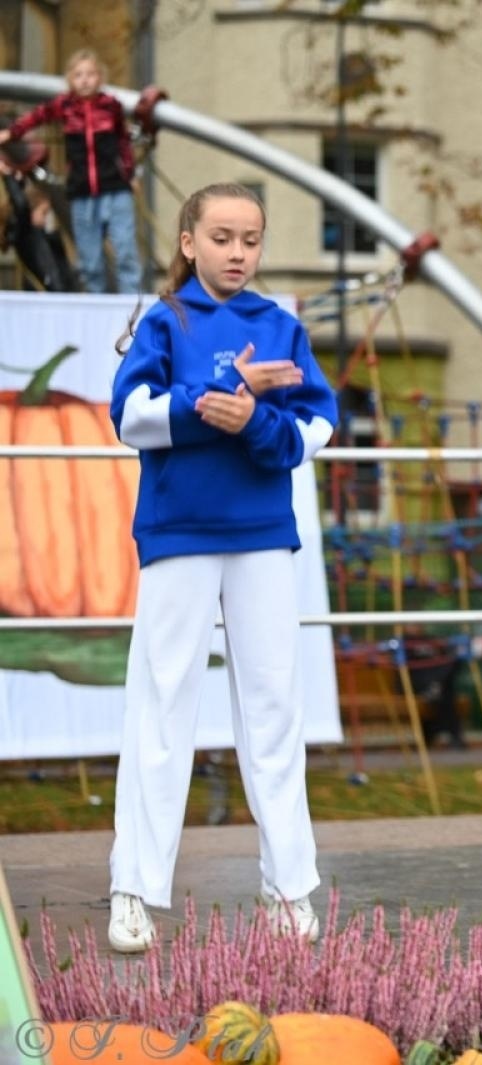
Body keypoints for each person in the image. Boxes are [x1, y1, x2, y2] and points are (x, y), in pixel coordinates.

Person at [107, 182, 337, 953]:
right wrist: (217, 398)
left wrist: (256, 421)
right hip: (177, 532)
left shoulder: (282, 325)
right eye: (223, 237)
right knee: (160, 702)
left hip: (264, 535)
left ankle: (290, 886)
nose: (238, 252)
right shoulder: (165, 321)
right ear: (188, 243)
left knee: (276, 707)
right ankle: (132, 888)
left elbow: (317, 425)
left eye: (251, 239)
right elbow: (130, 414)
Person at [0, 49, 141, 294]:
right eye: (78, 75)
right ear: (70, 80)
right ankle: (97, 305)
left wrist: (131, 175)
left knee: (125, 249)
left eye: (90, 74)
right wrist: (11, 133)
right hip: (82, 190)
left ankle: (132, 301)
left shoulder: (111, 106)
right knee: (90, 259)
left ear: (100, 78)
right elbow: (35, 117)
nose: (85, 80)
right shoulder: (64, 106)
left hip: (115, 187)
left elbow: (123, 144)